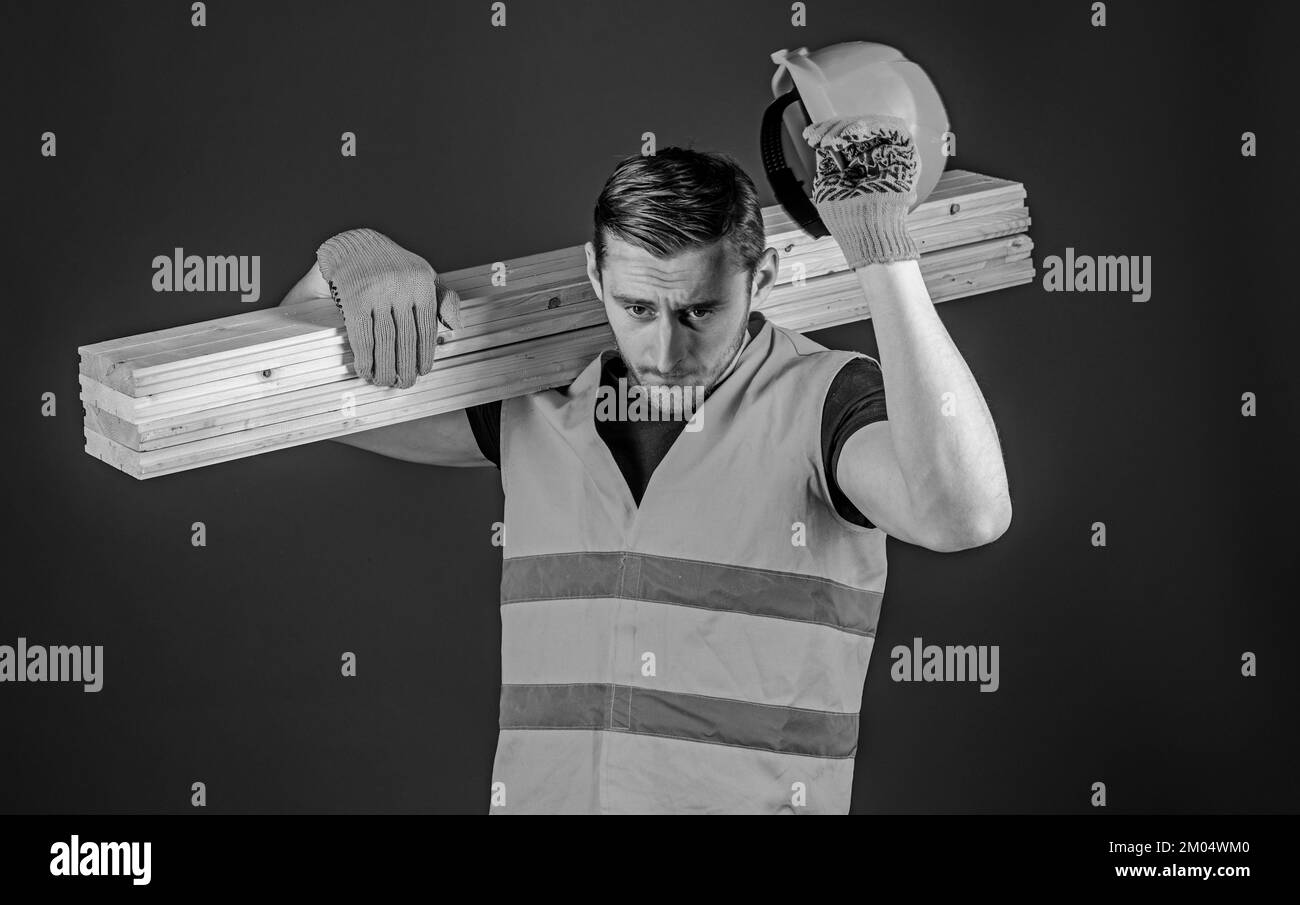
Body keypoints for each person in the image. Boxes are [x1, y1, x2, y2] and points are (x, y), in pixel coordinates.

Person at [278, 115, 1012, 813]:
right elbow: (304, 412)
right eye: (636, 309)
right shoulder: (535, 407)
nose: (664, 353)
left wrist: (880, 247)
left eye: (697, 311)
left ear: (762, 279)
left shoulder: (822, 403)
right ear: (594, 275)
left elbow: (964, 512)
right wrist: (340, 266)